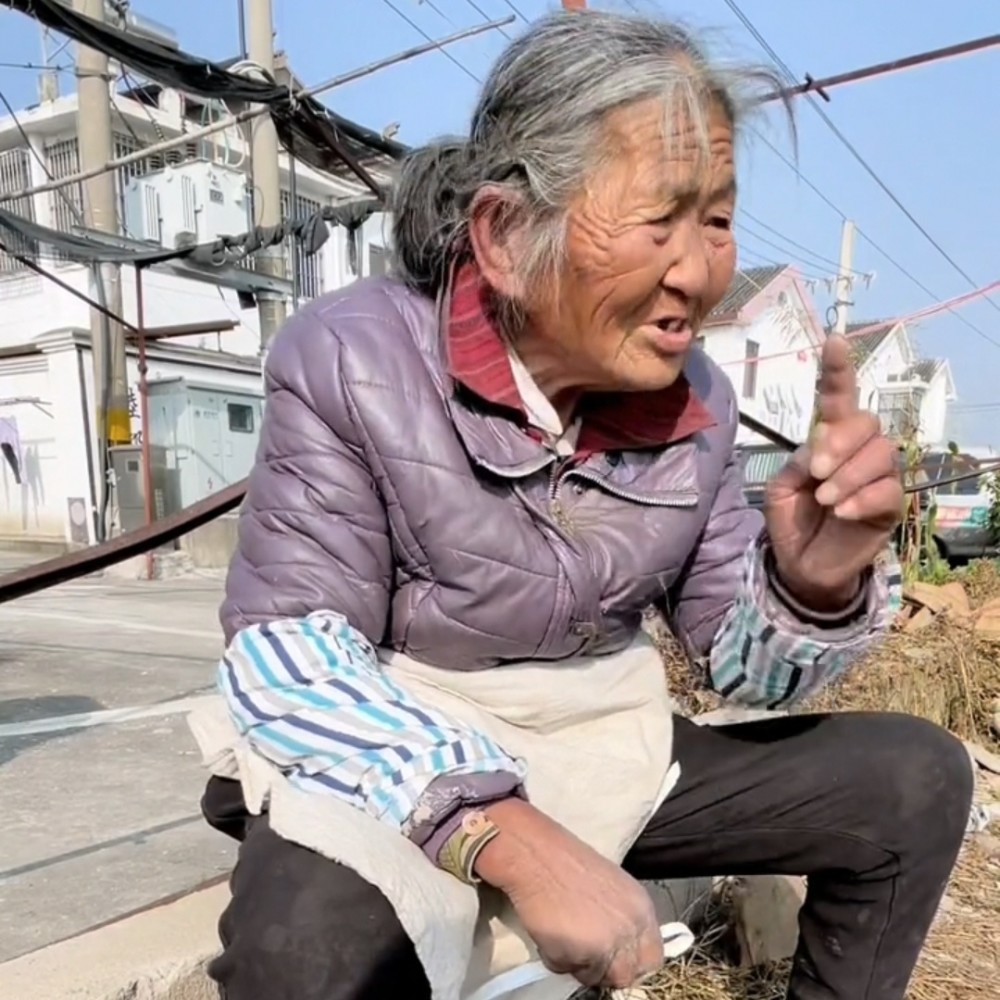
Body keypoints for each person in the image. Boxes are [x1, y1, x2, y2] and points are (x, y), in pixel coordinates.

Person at [199, 11, 973, 1000]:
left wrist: (812, 583)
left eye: (718, 218)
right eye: (660, 219)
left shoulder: (694, 401)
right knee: (300, 952)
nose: (697, 271)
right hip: (405, 735)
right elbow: (292, 649)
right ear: (509, 236)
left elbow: (737, 663)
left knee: (912, 779)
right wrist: (503, 835)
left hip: (604, 737)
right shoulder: (353, 358)